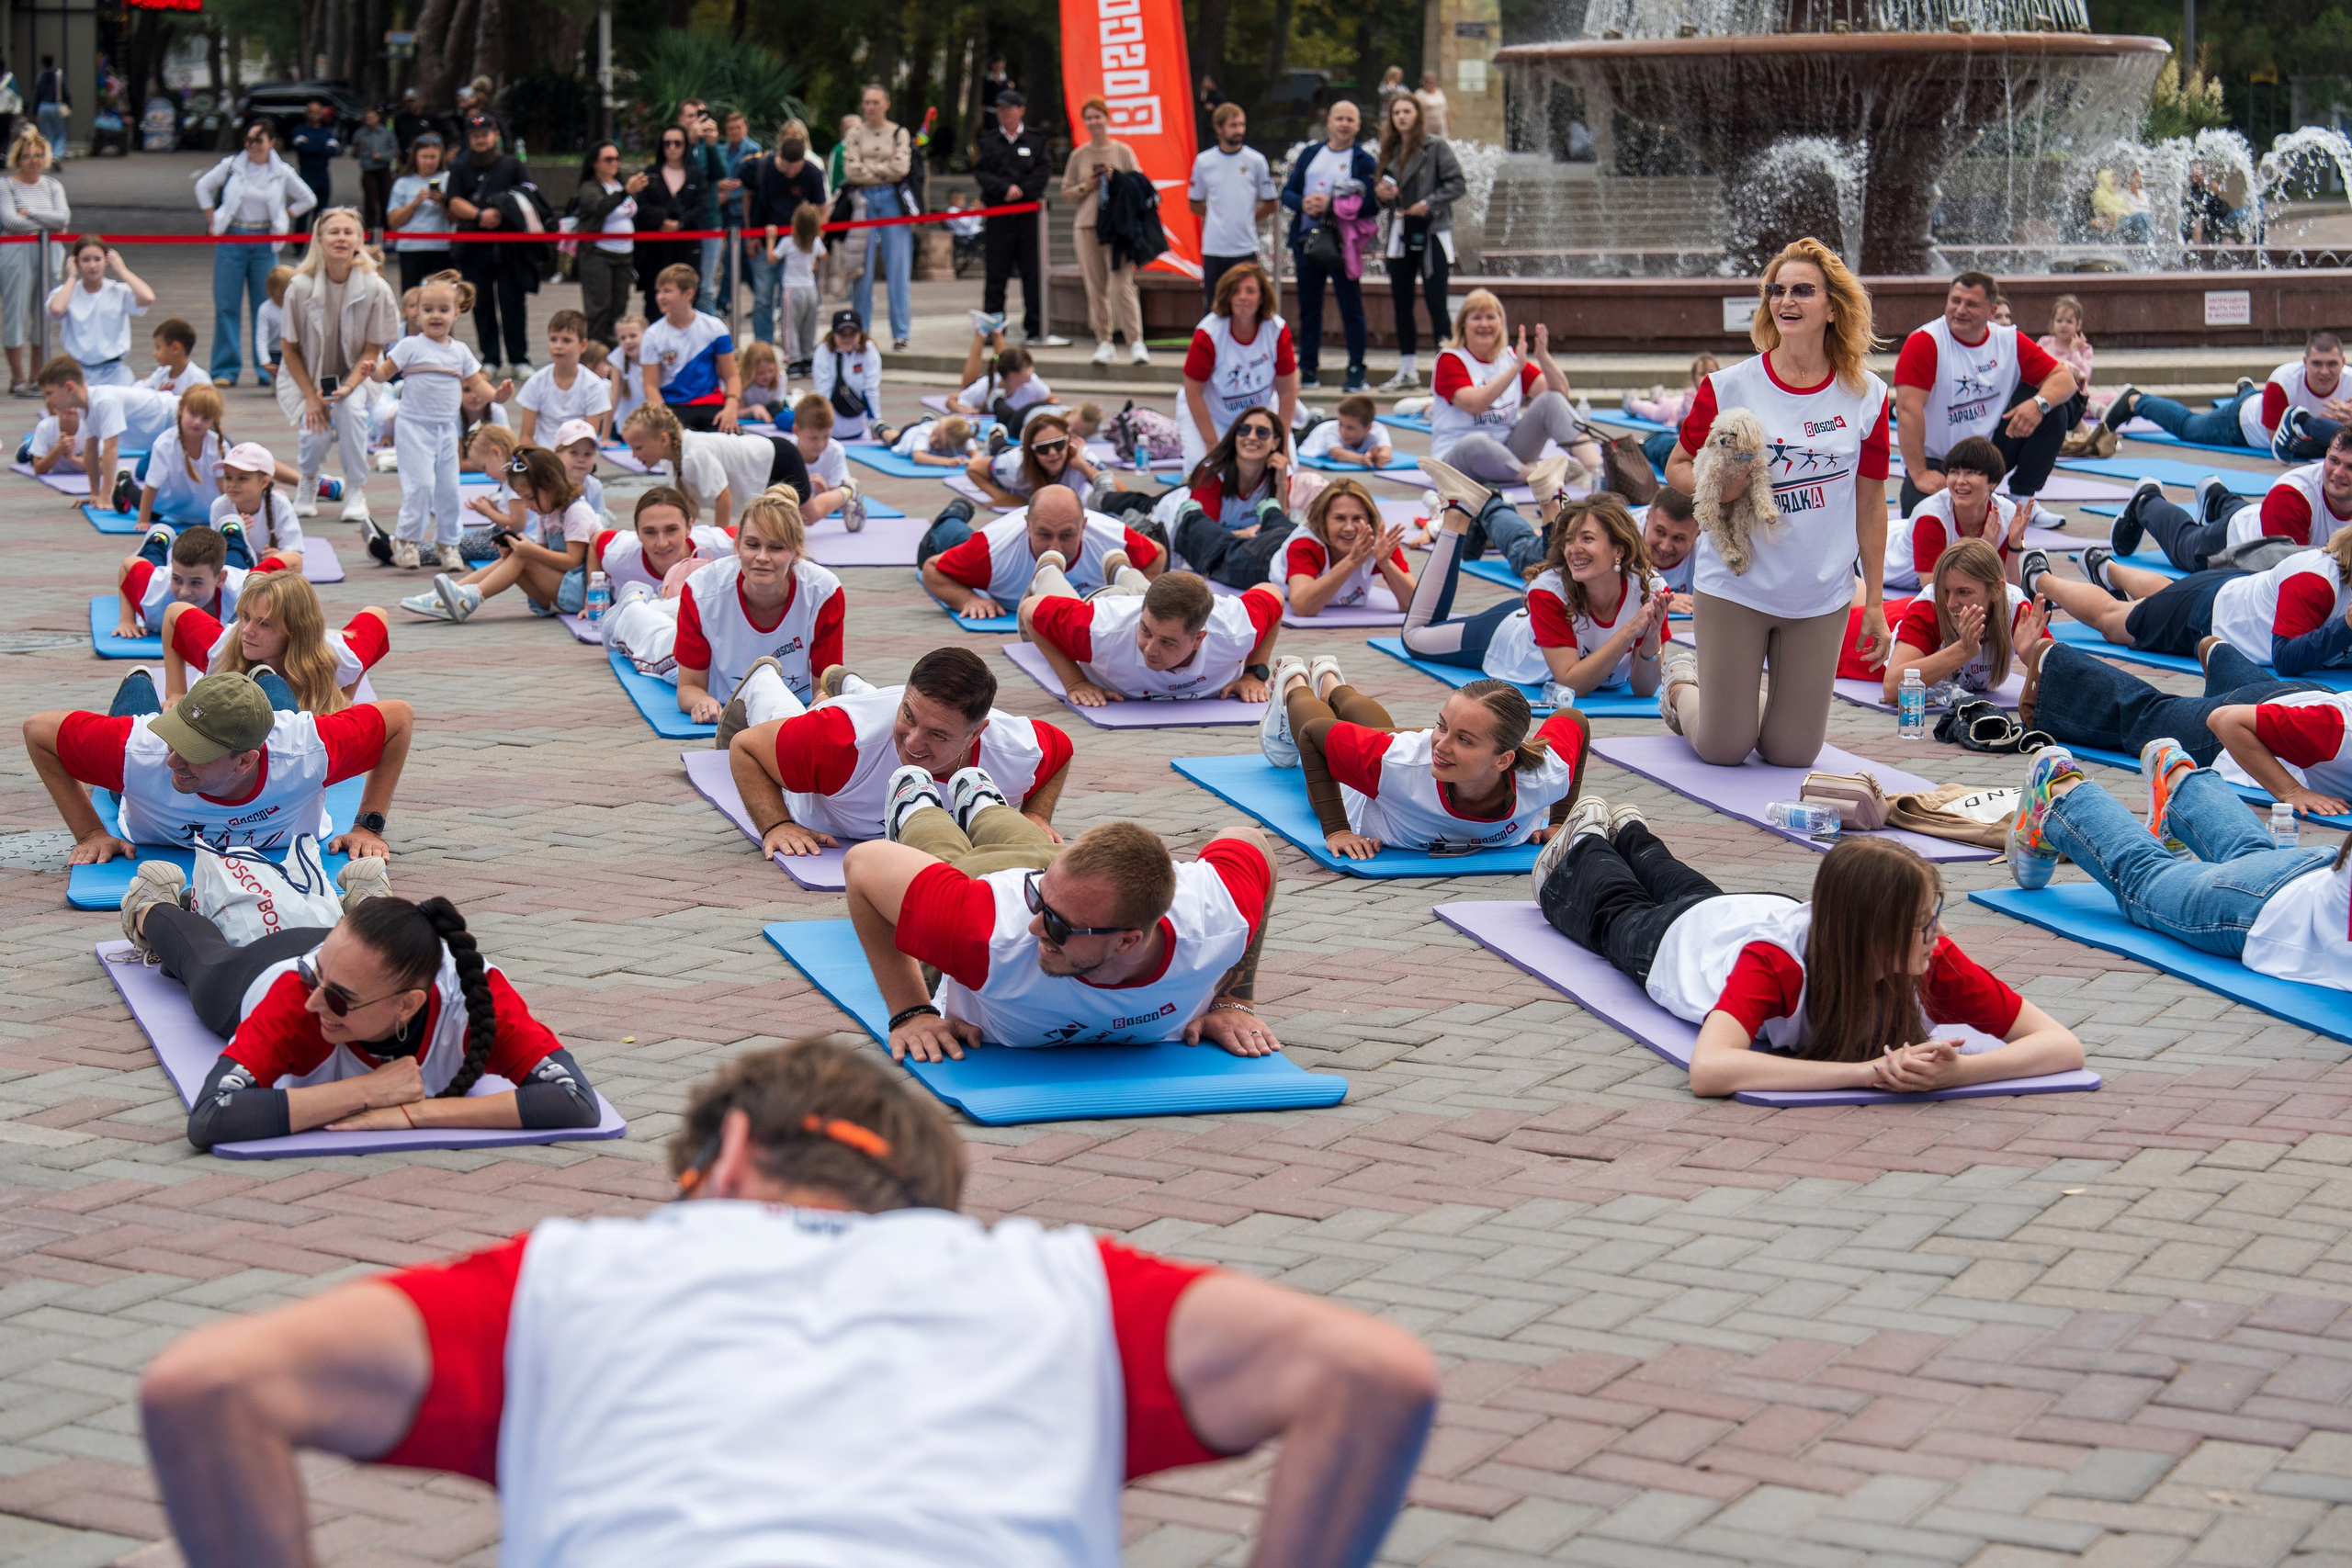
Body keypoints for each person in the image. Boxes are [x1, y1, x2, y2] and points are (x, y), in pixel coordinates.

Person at [140, 1035, 1436, 1564]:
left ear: (734, 1159)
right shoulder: (1056, 1281)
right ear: (928, 1204)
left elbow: (209, 1384)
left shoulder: (571, 1273)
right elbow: (1375, 1375)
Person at [1535, 809, 2085, 1095]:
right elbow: (1710, 1070)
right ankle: (1588, 837)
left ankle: (1633, 831)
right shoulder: (1776, 964)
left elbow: (2063, 1047)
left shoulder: (1930, 958)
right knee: (1610, 907)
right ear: (1872, 932)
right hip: (1675, 942)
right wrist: (1870, 1073)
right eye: (1922, 924)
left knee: (1683, 882)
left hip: (1746, 910)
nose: (1937, 936)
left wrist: (1956, 1075)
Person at [1662, 236, 1894, 769]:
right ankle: (1680, 686)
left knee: (1790, 753)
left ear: (1833, 308)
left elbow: (1872, 503)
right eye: (1777, 290)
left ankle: (1747, 703)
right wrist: (1722, 490)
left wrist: (1875, 603)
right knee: (1725, 748)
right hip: (1736, 586)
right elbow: (1677, 466)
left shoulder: (1868, 396)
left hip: (1819, 595)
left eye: (1802, 291)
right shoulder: (1728, 385)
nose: (1785, 301)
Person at [848, 815, 1287, 1058]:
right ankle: (921, 800)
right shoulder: (987, 934)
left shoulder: (1218, 919)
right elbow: (863, 864)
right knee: (942, 847)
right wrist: (911, 1011)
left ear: (1128, 941)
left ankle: (984, 803)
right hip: (1000, 881)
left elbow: (1253, 842)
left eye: (1056, 925)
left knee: (1020, 840)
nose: (1035, 925)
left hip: (1076, 887)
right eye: (1037, 905)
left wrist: (1233, 1000)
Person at [2006, 744, 2347, 991]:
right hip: (2273, 908)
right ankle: (2059, 791)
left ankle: (2177, 776)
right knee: (2146, 877)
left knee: (2253, 855)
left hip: (2315, 866)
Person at [23, 669, 410, 867]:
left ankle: (263, 678)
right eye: (176, 741)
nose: (173, 760)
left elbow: (399, 718)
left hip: (278, 735)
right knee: (132, 732)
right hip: (132, 772)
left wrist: (367, 826)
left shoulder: (307, 751)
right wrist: (90, 832)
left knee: (283, 717)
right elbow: (38, 730)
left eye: (194, 751)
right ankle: (139, 678)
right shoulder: (139, 750)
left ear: (245, 761)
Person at [728, 645, 1073, 857]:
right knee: (787, 717)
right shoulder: (841, 739)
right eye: (908, 714)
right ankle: (763, 679)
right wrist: (776, 824)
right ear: (904, 697)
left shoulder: (1015, 750)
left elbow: (1062, 751)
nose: (913, 744)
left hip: (874, 714)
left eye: (938, 735)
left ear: (975, 735)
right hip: (832, 761)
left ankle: (849, 685)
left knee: (888, 718)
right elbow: (745, 748)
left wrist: (1037, 815)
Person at [1263, 658, 1585, 860]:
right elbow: (1314, 734)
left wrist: (1559, 820)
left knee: (1382, 733)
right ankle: (1294, 681)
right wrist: (1336, 830)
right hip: (1364, 790)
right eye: (1441, 725)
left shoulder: (1546, 776)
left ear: (1503, 760)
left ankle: (1330, 679)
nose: (1441, 745)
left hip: (1392, 755)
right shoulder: (1395, 763)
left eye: (1464, 739)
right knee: (1379, 736)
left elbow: (1575, 719)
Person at [607, 489, 843, 728]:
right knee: (636, 621)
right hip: (689, 650)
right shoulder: (701, 589)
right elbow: (689, 688)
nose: (762, 557)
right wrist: (701, 701)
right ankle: (635, 599)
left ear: (796, 552)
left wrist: (822, 706)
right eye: (752, 545)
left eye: (776, 548)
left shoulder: (824, 592)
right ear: (737, 545)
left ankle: (665, 603)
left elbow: (825, 689)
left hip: (713, 604)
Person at [1404, 489, 1668, 698]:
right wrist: (1630, 631)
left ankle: (1536, 500)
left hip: (1537, 621)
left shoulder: (1651, 590)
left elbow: (1644, 689)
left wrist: (1651, 635)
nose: (1573, 549)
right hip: (1502, 637)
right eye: (1569, 539)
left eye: (1587, 539)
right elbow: (1572, 681)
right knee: (1414, 638)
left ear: (1618, 549)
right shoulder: (1549, 590)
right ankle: (1455, 517)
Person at [2021, 524, 2352, 680]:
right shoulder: (2316, 582)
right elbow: (2286, 658)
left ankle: (2107, 569)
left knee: (2166, 594)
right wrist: (2346, 627)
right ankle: (2040, 579)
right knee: (2115, 620)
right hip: (2209, 617)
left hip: (2228, 594)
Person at [1893, 271, 2075, 523]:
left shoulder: (2007, 340)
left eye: (1971, 304)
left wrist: (2037, 405)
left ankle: (2021, 497)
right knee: (1921, 525)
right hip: (1939, 461)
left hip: (1989, 453)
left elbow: (2065, 380)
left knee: (2053, 409)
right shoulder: (1925, 342)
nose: (1960, 310)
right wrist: (1919, 472)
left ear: (1992, 311)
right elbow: (1907, 410)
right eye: (1955, 301)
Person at [274, 209, 395, 527]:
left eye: (348, 232)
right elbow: (289, 347)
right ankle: (308, 481)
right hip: (307, 374)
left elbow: (373, 347)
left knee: (350, 411)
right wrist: (312, 398)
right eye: (333, 232)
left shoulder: (375, 287)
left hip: (359, 373)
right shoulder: (299, 286)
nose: (341, 238)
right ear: (320, 239)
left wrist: (349, 387)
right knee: (315, 429)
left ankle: (356, 488)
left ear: (359, 240)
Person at [1019, 567, 1280, 705]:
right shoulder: (1097, 630)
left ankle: (1120, 566)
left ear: (1199, 638)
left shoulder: (1237, 630)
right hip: (1108, 605)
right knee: (1057, 594)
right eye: (1146, 633)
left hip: (1146, 608)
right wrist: (1075, 682)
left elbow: (1274, 594)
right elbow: (1030, 611)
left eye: (1167, 642)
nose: (1150, 650)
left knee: (1143, 593)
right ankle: (1048, 569)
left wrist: (1253, 672)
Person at [358, 271, 479, 570]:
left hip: (447, 429)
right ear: (416, 313)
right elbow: (384, 374)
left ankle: (448, 545)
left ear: (456, 312)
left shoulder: (460, 351)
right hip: (413, 426)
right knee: (421, 486)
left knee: (450, 489)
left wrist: (500, 395)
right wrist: (372, 371)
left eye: (442, 310)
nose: (435, 316)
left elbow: (481, 386)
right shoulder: (410, 346)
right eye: (427, 310)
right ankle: (407, 540)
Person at [1427, 289, 1600, 487]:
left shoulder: (1508, 357)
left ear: (1501, 324)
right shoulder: (1450, 359)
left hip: (1510, 449)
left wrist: (1543, 357)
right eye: (1476, 318)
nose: (1484, 324)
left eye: (1490, 317)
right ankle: (1538, 477)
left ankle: (1599, 470)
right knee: (1477, 442)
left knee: (1550, 401)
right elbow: (1475, 405)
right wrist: (1515, 369)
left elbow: (1559, 394)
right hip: (1459, 457)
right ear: (1463, 326)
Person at [2102, 331, 2351, 464]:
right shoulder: (2283, 381)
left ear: (2344, 362)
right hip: (2239, 425)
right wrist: (2335, 431)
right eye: (2317, 364)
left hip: (2260, 403)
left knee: (2254, 398)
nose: (2324, 372)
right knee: (2187, 426)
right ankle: (2135, 400)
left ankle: (2246, 389)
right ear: (2304, 362)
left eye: (2331, 364)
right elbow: (2280, 445)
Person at [408, 445, 594, 623]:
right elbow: (544, 553)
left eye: (529, 498)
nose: (527, 505)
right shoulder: (546, 512)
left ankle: (470, 598)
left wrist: (529, 551)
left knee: (524, 556)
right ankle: (448, 595)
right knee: (517, 554)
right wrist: (513, 547)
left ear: (552, 485)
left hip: (581, 593)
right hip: (560, 589)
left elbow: (572, 561)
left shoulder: (575, 512)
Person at [161, 569, 390, 713]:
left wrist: (346, 694)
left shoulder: (338, 656)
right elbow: (174, 612)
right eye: (247, 620)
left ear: (293, 631)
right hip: (232, 624)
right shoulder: (223, 648)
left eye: (265, 624)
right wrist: (175, 692)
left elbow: (377, 614)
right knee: (253, 588)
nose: (248, 631)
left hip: (310, 639)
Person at [198, 120, 316, 389]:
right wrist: (212, 220)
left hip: (265, 241)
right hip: (232, 238)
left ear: (271, 142)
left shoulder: (282, 172)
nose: (252, 146)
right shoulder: (232, 166)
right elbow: (202, 187)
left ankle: (267, 368)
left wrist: (283, 217)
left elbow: (308, 199)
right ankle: (225, 368)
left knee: (268, 305)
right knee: (227, 304)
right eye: (248, 141)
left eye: (258, 141)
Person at [921, 486, 1163, 617]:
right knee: (952, 533)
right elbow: (932, 569)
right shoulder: (991, 551)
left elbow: (1158, 554)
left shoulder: (1111, 539)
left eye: (1067, 535)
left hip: (1103, 523)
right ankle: (954, 512)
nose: (1054, 548)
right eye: (1044, 535)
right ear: (1028, 525)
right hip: (978, 538)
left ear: (1084, 526)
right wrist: (969, 599)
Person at [1279, 99, 1379, 391]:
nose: (1344, 124)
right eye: (1340, 118)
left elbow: (1372, 203)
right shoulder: (1311, 153)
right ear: (1329, 122)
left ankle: (1356, 368)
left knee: (1352, 307)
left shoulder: (1363, 161)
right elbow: (1287, 193)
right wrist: (1304, 203)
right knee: (1309, 307)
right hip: (1307, 242)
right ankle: (1308, 367)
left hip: (1343, 244)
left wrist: (1332, 205)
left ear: (1358, 125)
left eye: (1350, 119)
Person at [1880, 537, 2047, 703]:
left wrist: (2031, 657)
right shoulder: (1929, 609)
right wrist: (1963, 650)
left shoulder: (2017, 609)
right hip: (1876, 632)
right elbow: (1892, 689)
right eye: (1944, 591)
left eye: (1964, 592)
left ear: (1997, 590)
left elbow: (2065, 680)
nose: (1950, 604)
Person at [1373, 91, 1464, 393]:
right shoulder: (1389, 150)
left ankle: (1447, 372)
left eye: (1407, 112)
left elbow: (1457, 183)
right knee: (1402, 302)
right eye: (1396, 112)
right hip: (1400, 232)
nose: (1401, 117)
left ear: (1418, 116)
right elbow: (1381, 195)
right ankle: (1407, 368)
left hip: (1431, 231)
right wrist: (1380, 194)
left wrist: (1427, 204)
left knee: (1437, 302)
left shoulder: (1435, 147)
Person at [1179, 260, 1299, 470]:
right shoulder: (1208, 333)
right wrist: (1211, 444)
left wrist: (1283, 439)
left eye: (1250, 291)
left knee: (1286, 468)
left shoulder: (1277, 330)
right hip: (1212, 412)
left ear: (1262, 297)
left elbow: (1288, 390)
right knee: (1206, 469)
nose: (1243, 297)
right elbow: (1193, 392)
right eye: (1236, 291)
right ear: (1228, 296)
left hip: (1259, 415)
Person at [442, 113, 536, 380]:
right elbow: (453, 202)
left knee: (513, 302)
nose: (480, 139)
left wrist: (501, 209)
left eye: (485, 134)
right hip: (474, 245)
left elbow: (528, 192)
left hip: (509, 245)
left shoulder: (512, 165)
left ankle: (519, 358)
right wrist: (480, 215)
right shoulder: (460, 168)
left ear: (495, 135)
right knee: (480, 303)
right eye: (475, 135)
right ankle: (490, 357)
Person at [620, 402, 808, 532]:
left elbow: (723, 497)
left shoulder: (696, 455)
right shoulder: (671, 460)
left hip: (779, 458)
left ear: (663, 439)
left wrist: (719, 538)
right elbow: (685, 504)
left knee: (809, 516)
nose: (634, 455)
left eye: (638, 448)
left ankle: (839, 493)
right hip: (762, 462)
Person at [974, 89, 1057, 349]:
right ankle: (993, 329)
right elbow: (982, 173)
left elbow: (1043, 171)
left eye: (1008, 109)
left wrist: (1021, 189)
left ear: (1020, 110)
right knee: (996, 275)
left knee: (1032, 273)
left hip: (1028, 216)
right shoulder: (988, 141)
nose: (1004, 114)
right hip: (999, 216)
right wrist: (1003, 189)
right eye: (999, 109)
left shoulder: (1035, 139)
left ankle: (1035, 327)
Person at [1883, 434, 2020, 593]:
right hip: (1876, 555)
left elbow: (2011, 590)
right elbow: (1932, 589)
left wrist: (2015, 545)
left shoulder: (2007, 514)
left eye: (1971, 473)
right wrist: (1986, 551)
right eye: (1954, 472)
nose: (1960, 481)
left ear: (1993, 482)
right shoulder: (1930, 517)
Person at [1064, 97, 1144, 367]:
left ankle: (1136, 341)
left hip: (1118, 226)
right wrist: (1086, 185)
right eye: (1089, 118)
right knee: (1095, 286)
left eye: (1098, 117)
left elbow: (1139, 185)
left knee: (1123, 284)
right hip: (1087, 224)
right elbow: (1067, 192)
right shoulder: (1079, 155)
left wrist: (1115, 178)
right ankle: (1104, 341)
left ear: (1107, 119)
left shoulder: (1123, 151)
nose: (1094, 122)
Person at [37, 355, 175, 507]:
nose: (47, 401)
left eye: (49, 393)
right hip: (166, 433)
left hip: (176, 416)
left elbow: (110, 449)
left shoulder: (104, 401)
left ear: (69, 387)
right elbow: (91, 450)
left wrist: (105, 495)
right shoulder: (85, 406)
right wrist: (95, 493)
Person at [842, 85, 916, 351]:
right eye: (866, 102)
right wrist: (882, 170)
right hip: (863, 201)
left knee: (898, 267)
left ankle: (901, 332)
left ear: (886, 104)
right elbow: (851, 171)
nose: (870, 107)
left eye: (875, 102)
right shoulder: (854, 133)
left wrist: (870, 169)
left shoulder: (898, 132)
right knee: (861, 269)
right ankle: (860, 331)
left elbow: (902, 168)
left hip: (892, 201)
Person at [745, 123, 828, 360]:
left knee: (795, 302)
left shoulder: (812, 172)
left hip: (799, 246)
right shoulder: (764, 167)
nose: (790, 172)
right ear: (779, 156)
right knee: (763, 298)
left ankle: (799, 352)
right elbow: (748, 198)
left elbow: (822, 210)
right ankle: (764, 350)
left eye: (795, 168)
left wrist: (813, 247)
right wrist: (751, 235)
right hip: (766, 241)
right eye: (786, 167)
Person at [1274, 479, 1412, 618]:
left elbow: (1415, 606)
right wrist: (1352, 561)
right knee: (1274, 525)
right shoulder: (1305, 544)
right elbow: (1302, 607)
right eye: (1339, 518)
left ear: (1370, 521)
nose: (1349, 528)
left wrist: (1386, 564)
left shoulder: (1381, 542)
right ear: (1323, 521)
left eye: (1357, 518)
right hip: (1264, 557)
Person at [1188, 102, 1278, 309]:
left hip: (1245, 247)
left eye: (1241, 125)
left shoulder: (1256, 160)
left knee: (1248, 306)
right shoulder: (1204, 161)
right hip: (1214, 248)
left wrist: (1247, 218)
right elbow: (1194, 203)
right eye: (1233, 125)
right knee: (1215, 306)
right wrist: (1217, 216)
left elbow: (1271, 203)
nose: (1239, 130)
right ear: (1219, 128)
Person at [0, 125, 68, 397]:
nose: (34, 161)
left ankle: (37, 376)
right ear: (17, 158)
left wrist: (29, 212)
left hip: (49, 253)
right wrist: (45, 222)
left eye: (39, 155)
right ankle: (17, 377)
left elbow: (63, 218)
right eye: (28, 155)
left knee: (44, 312)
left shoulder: (53, 185)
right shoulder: (5, 185)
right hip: (16, 254)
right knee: (14, 311)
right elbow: (9, 221)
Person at [637, 262, 740, 434]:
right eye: (658, 291)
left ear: (688, 294)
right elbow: (651, 387)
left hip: (710, 404)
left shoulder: (714, 328)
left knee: (731, 444)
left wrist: (731, 408)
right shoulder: (652, 335)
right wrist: (666, 419)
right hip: (673, 406)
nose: (660, 297)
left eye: (667, 291)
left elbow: (731, 376)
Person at [46, 237, 153, 387]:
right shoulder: (67, 292)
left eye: (97, 259)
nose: (92, 265)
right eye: (85, 260)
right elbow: (57, 310)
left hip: (114, 370)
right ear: (76, 262)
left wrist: (122, 270)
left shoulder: (118, 290)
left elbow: (147, 297)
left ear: (106, 261)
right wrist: (71, 276)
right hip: (77, 370)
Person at [591, 485, 730, 598]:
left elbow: (745, 535)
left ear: (689, 527)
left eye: (671, 530)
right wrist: (590, 596)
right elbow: (596, 540)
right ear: (637, 533)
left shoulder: (721, 547)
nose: (662, 543)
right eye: (650, 532)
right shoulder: (619, 555)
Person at [570, 141, 641, 349]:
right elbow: (601, 207)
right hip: (599, 254)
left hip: (624, 254)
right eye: (608, 159)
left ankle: (613, 354)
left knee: (619, 307)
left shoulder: (620, 185)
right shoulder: (589, 188)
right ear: (595, 163)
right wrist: (626, 191)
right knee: (599, 308)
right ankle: (593, 352)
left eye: (617, 158)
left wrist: (626, 190)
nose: (614, 163)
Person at [116, 524, 240, 640]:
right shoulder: (153, 594)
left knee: (237, 552)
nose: (184, 592)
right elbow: (128, 564)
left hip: (230, 573)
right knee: (153, 551)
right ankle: (159, 536)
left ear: (220, 579)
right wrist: (127, 620)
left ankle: (231, 532)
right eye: (177, 580)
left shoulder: (241, 595)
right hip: (168, 574)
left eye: (196, 583)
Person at [131, 383, 229, 527]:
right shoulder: (164, 444)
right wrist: (143, 521)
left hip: (206, 513)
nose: (197, 422)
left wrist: (232, 517)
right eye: (193, 414)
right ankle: (125, 484)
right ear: (181, 409)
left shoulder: (219, 446)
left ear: (213, 420)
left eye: (205, 418)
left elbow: (224, 488)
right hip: (167, 508)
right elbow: (151, 487)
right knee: (141, 501)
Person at [964, 410, 1101, 509]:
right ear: (1031, 451)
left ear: (1067, 441)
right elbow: (974, 470)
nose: (1052, 453)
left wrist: (1082, 466)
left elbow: (1117, 492)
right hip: (1008, 453)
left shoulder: (1082, 455)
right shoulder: (1014, 465)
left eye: (1058, 444)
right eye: (1043, 448)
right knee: (1000, 448)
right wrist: (1002, 497)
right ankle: (996, 434)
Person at [514, 308, 612, 445]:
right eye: (553, 339)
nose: (558, 346)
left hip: (577, 457)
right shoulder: (536, 382)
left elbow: (590, 438)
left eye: (566, 341)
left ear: (583, 345)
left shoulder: (594, 386)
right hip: (543, 457)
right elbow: (526, 438)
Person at [384, 132, 455, 296]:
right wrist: (414, 204)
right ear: (415, 157)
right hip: (411, 247)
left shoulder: (448, 178)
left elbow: (457, 218)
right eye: (424, 157)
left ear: (440, 157)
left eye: (433, 157)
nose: (428, 162)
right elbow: (393, 221)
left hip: (441, 247)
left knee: (443, 298)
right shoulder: (403, 183)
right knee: (412, 298)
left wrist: (442, 202)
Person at [765, 201, 825, 372]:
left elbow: (772, 258)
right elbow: (824, 255)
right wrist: (813, 261)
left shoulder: (788, 242)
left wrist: (771, 239)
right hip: (810, 289)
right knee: (809, 324)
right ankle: (807, 355)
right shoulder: (815, 242)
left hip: (792, 289)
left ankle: (794, 359)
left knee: (790, 326)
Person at [789, 394, 864, 527]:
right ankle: (847, 490)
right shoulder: (787, 452)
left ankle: (849, 490)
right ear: (796, 431)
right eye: (813, 438)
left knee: (808, 516)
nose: (821, 444)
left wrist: (825, 493)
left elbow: (835, 507)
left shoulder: (835, 451)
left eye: (826, 436)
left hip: (814, 509)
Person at [809, 309, 883, 443]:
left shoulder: (869, 350)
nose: (847, 338)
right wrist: (822, 427)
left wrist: (875, 423)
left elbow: (871, 389)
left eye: (852, 333)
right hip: (831, 427)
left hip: (857, 428)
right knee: (791, 418)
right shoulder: (823, 351)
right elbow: (823, 392)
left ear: (860, 333)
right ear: (833, 334)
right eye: (842, 334)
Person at [714, 109, 762, 315]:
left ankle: (722, 303)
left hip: (743, 212)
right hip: (725, 212)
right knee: (739, 260)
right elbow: (717, 177)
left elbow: (751, 183)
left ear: (746, 128)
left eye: (738, 128)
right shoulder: (721, 150)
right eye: (731, 128)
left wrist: (726, 195)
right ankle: (763, 299)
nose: (735, 132)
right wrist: (719, 189)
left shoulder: (753, 149)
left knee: (733, 258)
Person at [1299, 394, 1393, 468]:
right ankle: (1311, 420)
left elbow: (1386, 452)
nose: (1343, 431)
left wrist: (1378, 458)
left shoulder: (1378, 430)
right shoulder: (1332, 431)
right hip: (1312, 433)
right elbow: (1338, 454)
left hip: (1329, 423)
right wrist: (1362, 459)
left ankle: (1315, 419)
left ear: (1368, 427)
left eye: (1350, 428)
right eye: (1341, 424)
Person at [1645, 486, 1699, 610]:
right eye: (1660, 532)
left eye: (1678, 538)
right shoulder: (1622, 537)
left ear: (1698, 534)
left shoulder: (1710, 548)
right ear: (1648, 517)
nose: (1665, 547)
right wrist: (1657, 602)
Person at [288, 99, 341, 225]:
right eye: (311, 112)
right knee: (304, 210)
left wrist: (313, 147)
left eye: (317, 112)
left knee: (322, 212)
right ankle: (299, 243)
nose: (314, 115)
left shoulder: (326, 132)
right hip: (307, 174)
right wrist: (322, 148)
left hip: (323, 174)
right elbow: (304, 148)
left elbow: (333, 151)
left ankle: (319, 241)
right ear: (306, 113)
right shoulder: (298, 130)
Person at [352, 107, 398, 232]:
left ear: (378, 118)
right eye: (367, 118)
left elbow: (394, 150)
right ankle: (370, 230)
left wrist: (382, 156)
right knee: (370, 202)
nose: (370, 120)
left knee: (386, 202)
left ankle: (386, 230)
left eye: (372, 117)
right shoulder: (360, 133)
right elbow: (354, 153)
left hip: (384, 170)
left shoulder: (387, 132)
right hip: (369, 171)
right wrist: (356, 151)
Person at [143, 318, 210, 395]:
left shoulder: (198, 380)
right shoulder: (161, 373)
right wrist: (156, 395)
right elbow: (138, 391)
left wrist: (162, 399)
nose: (154, 353)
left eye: (158, 348)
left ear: (175, 348)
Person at [1415, 70, 1450, 137]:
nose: (1431, 84)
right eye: (1429, 82)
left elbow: (1445, 108)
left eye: (1433, 82)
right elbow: (1417, 110)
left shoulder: (1439, 92)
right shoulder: (1419, 94)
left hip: (1440, 124)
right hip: (1427, 125)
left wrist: (1447, 124)